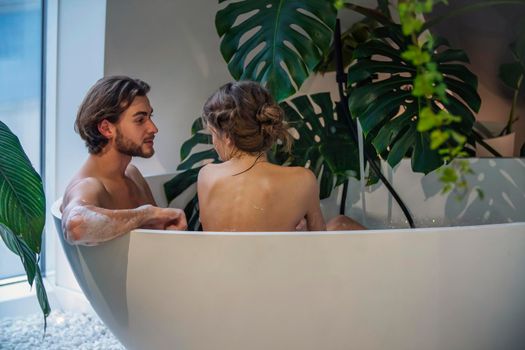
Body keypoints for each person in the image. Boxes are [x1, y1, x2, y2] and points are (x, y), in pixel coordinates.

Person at [197, 81, 365, 232]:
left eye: (212, 133)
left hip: (221, 266)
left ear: (227, 137)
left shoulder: (206, 175)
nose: (213, 142)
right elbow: (318, 243)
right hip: (276, 265)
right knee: (341, 222)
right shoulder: (302, 179)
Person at [60, 76, 187, 245]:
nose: (153, 128)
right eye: (140, 120)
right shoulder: (89, 186)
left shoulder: (131, 173)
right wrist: (147, 214)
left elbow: (159, 234)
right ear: (106, 128)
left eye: (150, 117)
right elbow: (76, 225)